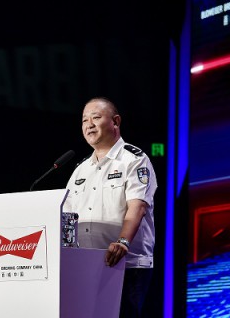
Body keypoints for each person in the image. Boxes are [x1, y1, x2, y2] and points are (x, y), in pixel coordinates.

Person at [63, 97, 158, 318]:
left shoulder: (134, 160)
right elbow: (67, 217)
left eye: (96, 118)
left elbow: (137, 207)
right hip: (85, 266)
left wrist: (123, 242)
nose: (89, 125)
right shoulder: (80, 170)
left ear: (115, 121)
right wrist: (66, 254)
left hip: (126, 265)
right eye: (84, 120)